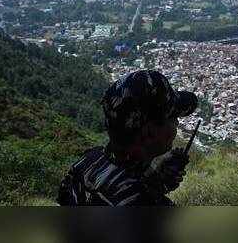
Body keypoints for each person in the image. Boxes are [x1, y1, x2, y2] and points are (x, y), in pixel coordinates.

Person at [57, 70, 198, 206]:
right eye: (173, 117)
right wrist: (149, 193)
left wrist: (150, 183)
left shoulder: (87, 161)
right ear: (149, 132)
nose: (177, 122)